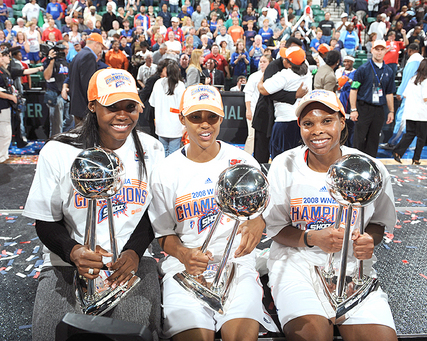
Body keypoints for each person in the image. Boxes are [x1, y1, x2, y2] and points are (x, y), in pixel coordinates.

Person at [23, 68, 164, 340]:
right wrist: (72, 251)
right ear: (92, 106)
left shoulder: (152, 149)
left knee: (136, 333)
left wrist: (134, 251)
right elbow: (45, 220)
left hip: (131, 261)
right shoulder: (59, 150)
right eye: (112, 106)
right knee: (51, 335)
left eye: (130, 106)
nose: (123, 115)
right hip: (63, 263)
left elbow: (151, 213)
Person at [263, 88, 398, 341]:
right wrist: (312, 238)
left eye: (327, 120)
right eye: (308, 123)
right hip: (296, 264)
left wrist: (370, 240)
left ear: (342, 121)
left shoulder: (371, 168)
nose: (317, 130)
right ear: (299, 127)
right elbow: (275, 229)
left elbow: (378, 223)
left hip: (352, 268)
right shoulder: (284, 165)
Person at [148, 83, 278, 341]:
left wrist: (259, 220)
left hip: (236, 263)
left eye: (212, 117)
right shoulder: (165, 171)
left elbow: (265, 209)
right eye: (196, 117)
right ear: (182, 118)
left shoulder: (242, 161)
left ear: (221, 118)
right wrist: (184, 253)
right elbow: (163, 234)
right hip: (186, 267)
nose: (204, 125)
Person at [258, 46, 312, 160]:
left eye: (285, 58)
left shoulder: (285, 75)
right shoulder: (308, 73)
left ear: (289, 64)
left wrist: (261, 79)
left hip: (284, 122)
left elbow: (263, 89)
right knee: (299, 158)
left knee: (280, 159)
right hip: (301, 120)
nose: (282, 60)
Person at [349, 40, 395, 158]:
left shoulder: (389, 71)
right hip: (364, 107)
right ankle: (356, 162)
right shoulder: (363, 69)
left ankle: (371, 164)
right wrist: (353, 109)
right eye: (377, 49)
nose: (379, 52)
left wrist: (391, 111)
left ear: (386, 51)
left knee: (374, 139)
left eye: (382, 49)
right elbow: (354, 90)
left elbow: (389, 93)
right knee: (359, 137)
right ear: (371, 50)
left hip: (379, 109)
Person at [381, 43, 423, 150]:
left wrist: (400, 91)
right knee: (414, 119)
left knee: (402, 118)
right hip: (419, 95)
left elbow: (408, 78)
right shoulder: (422, 60)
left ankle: (394, 142)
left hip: (410, 95)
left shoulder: (413, 60)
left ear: (409, 51)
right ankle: (411, 144)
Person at [67, 32, 108, 125]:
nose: (100, 51)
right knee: (87, 138)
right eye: (101, 48)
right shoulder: (89, 56)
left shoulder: (78, 55)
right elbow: (88, 85)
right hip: (84, 108)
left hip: (76, 106)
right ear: (96, 44)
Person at [392, 59, 427, 165]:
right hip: (422, 114)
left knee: (410, 134)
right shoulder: (425, 81)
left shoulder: (412, 79)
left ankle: (397, 152)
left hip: (410, 112)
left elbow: (405, 95)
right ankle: (416, 159)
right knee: (421, 137)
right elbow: (425, 98)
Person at [149, 61, 185, 156]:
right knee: (173, 153)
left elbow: (152, 103)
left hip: (161, 124)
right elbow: (183, 106)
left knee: (162, 152)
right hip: (175, 125)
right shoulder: (180, 85)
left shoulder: (158, 83)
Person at [243, 54, 271, 155]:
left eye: (264, 62)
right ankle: (247, 156)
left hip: (265, 111)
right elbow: (248, 94)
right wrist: (248, 110)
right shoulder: (254, 76)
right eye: (261, 62)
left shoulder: (273, 77)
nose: (262, 64)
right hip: (253, 109)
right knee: (252, 135)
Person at [43, 43, 72, 137]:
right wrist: (51, 61)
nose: (65, 52)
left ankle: (63, 137)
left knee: (70, 119)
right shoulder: (49, 61)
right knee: (56, 124)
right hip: (54, 93)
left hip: (65, 93)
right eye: (62, 50)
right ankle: (55, 142)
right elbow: (47, 77)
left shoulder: (65, 62)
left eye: (66, 49)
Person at [0, 48, 16, 163]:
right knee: (5, 133)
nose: (7, 58)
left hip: (5, 105)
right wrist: (11, 97)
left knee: (5, 132)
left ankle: (4, 155)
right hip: (2, 106)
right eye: (3, 56)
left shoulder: (5, 71)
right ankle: (1, 157)